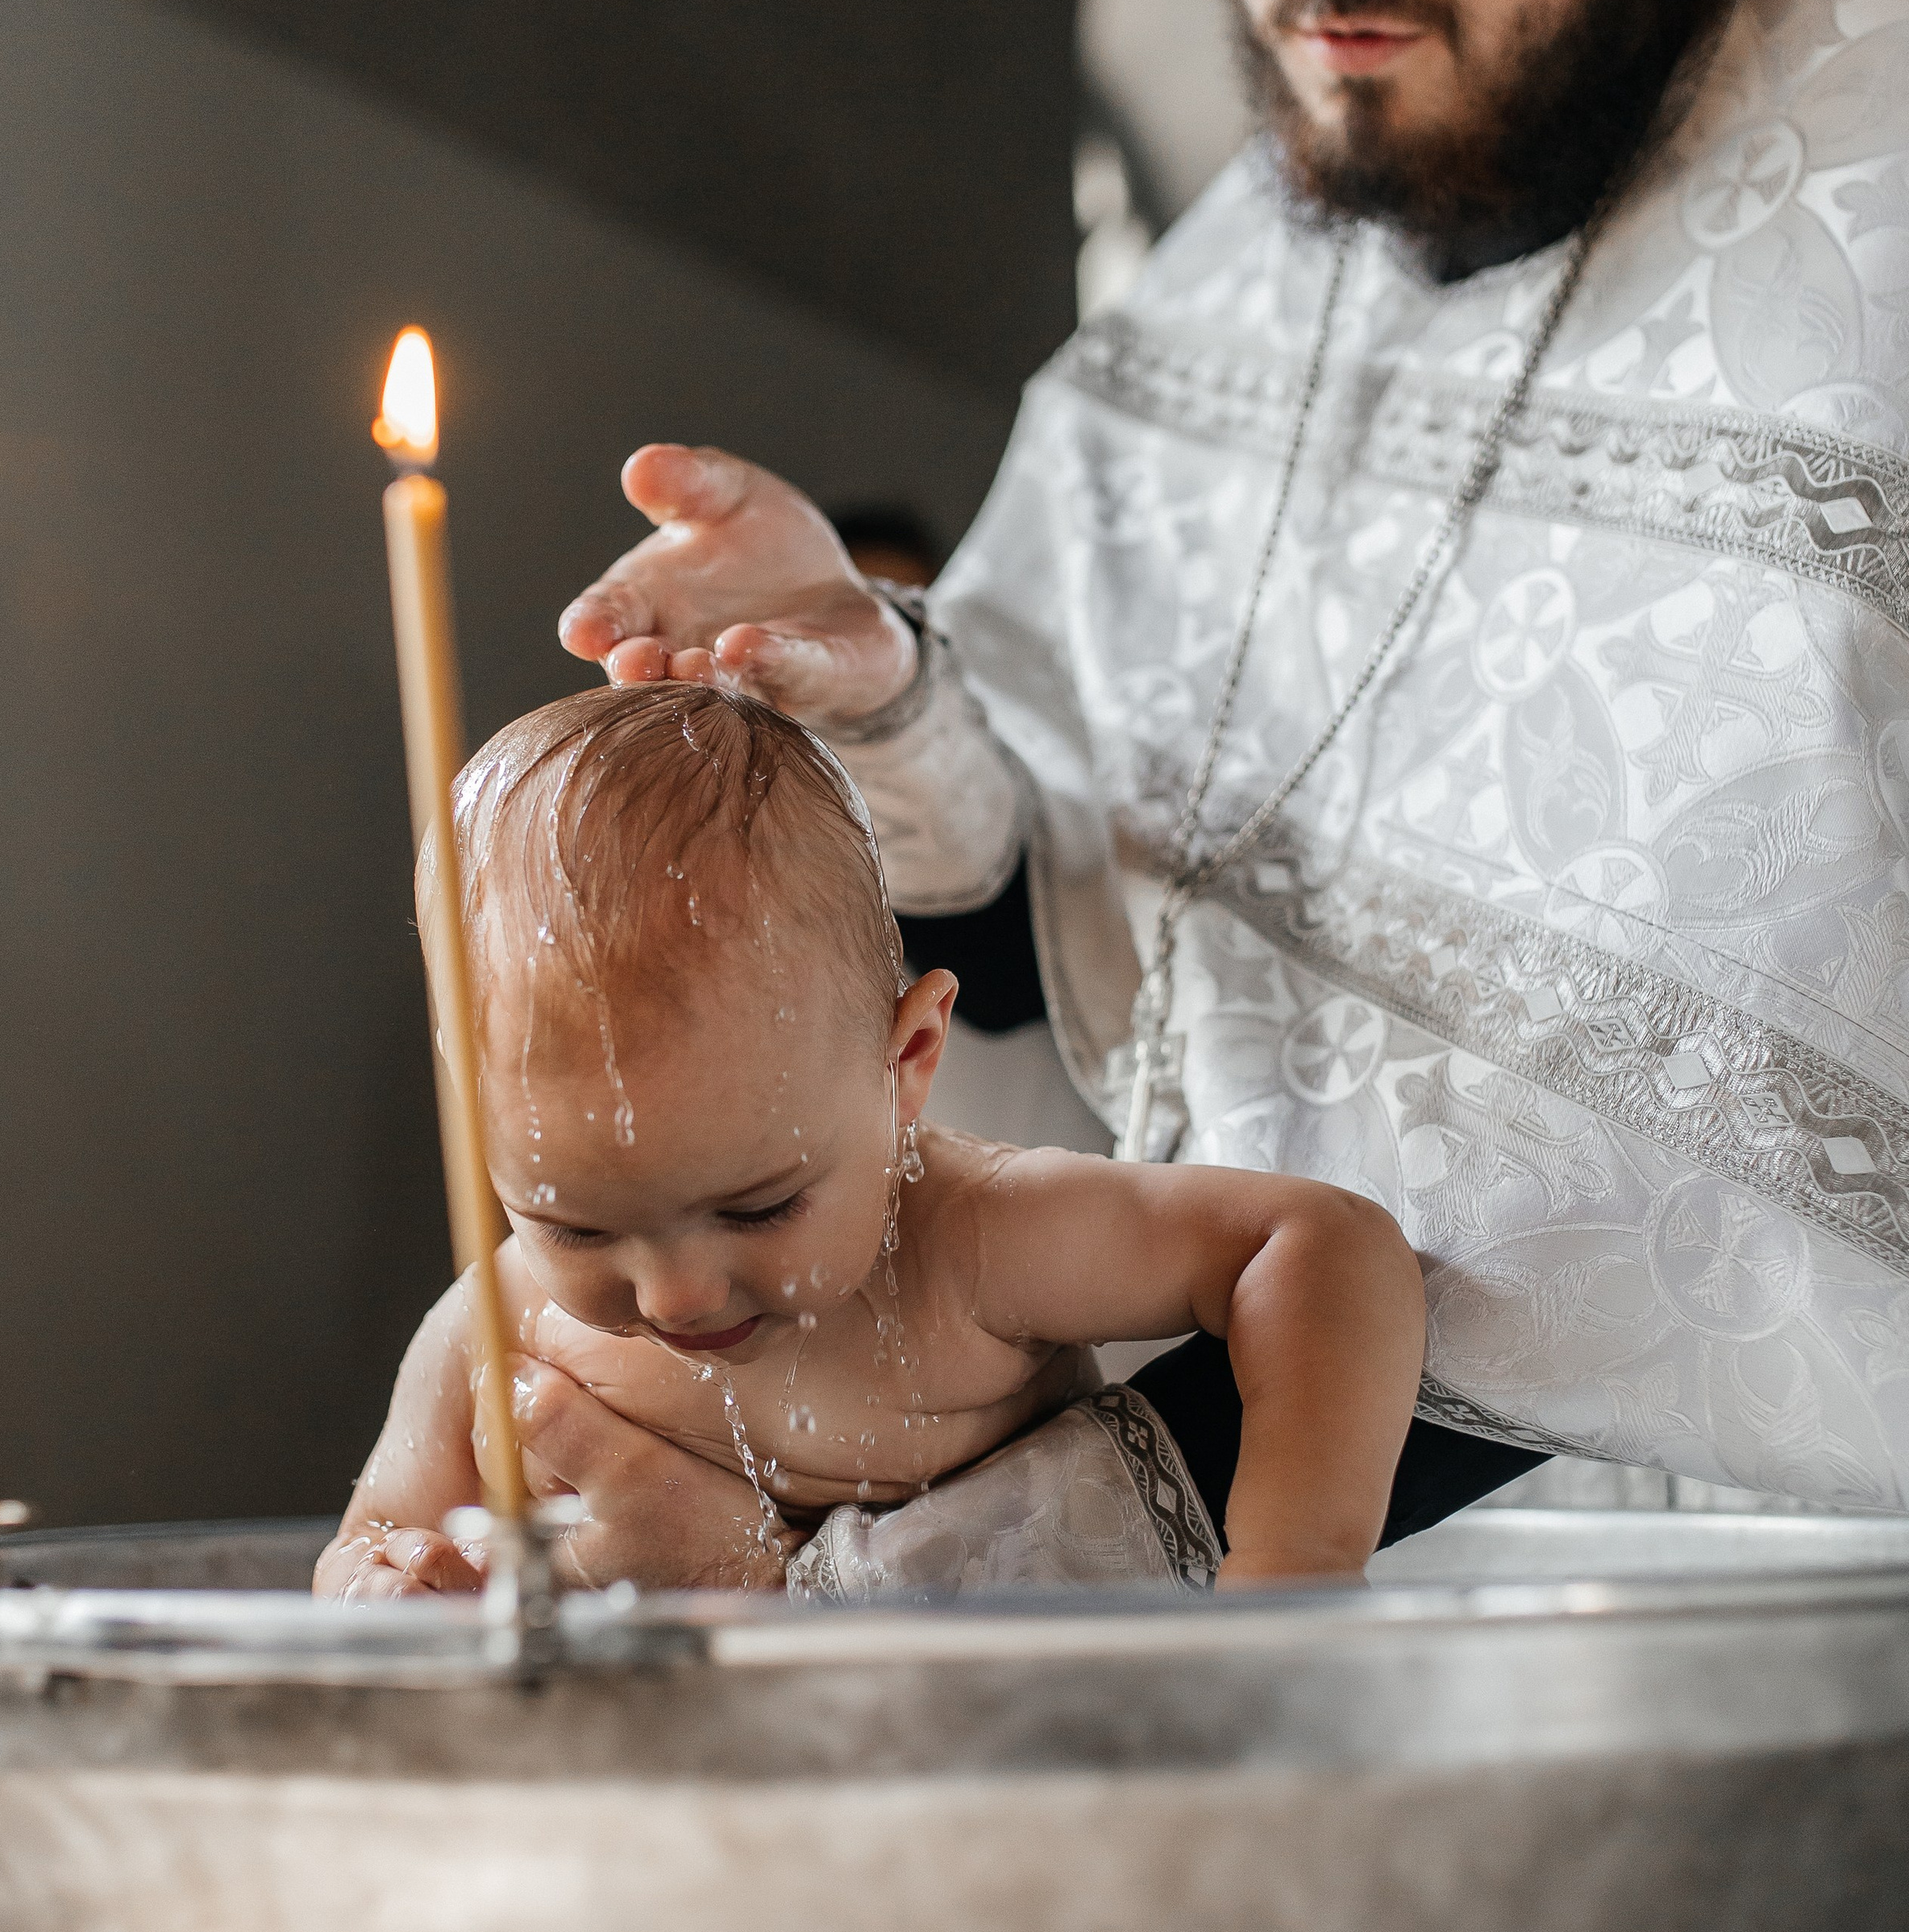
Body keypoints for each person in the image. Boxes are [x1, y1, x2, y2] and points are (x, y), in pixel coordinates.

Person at [550, 0, 1909, 1551]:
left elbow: (1674, 1228)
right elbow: (1067, 1003)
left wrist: (957, 1583)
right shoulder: (1200, 346)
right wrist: (887, 701)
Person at [318, 685, 1424, 1599]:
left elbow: (1319, 1242)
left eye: (759, 1207)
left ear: (908, 1064)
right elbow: (361, 1548)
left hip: (990, 1743)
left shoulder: (974, 1242)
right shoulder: (495, 1327)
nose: (677, 1295)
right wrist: (397, 1591)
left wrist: (1293, 1567)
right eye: (577, 1222)